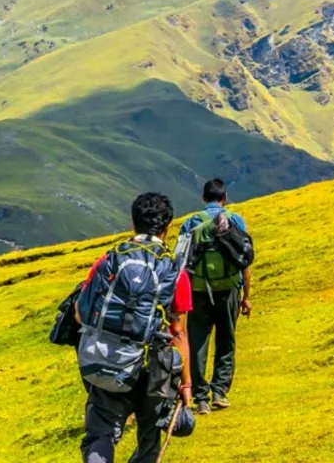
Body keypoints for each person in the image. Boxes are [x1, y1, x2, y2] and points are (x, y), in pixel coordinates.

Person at [74, 192, 194, 463]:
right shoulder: (176, 271)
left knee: (100, 434)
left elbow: (81, 313)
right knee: (149, 439)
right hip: (154, 369)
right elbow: (179, 332)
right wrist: (186, 383)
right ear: (168, 227)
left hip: (107, 357)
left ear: (133, 223)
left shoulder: (109, 260)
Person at [180, 178, 251, 415]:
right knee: (226, 340)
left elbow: (180, 262)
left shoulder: (191, 222)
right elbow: (245, 260)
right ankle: (219, 392)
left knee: (197, 342)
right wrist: (246, 296)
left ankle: (201, 398)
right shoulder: (235, 220)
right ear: (225, 198)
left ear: (203, 198)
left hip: (197, 293)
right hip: (229, 290)